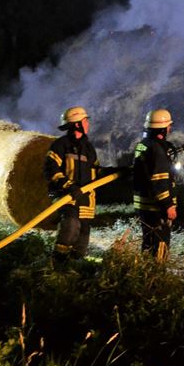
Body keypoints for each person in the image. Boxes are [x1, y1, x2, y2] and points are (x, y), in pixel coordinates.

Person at [43, 105, 119, 264]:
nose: (88, 124)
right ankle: (58, 263)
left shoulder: (88, 148)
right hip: (67, 196)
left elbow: (97, 171)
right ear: (77, 124)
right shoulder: (60, 145)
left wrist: (119, 172)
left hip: (86, 199)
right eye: (85, 121)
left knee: (83, 234)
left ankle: (76, 266)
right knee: (70, 226)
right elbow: (51, 169)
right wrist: (68, 186)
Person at [132, 108, 184, 262]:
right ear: (162, 128)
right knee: (160, 243)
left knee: (148, 242)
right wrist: (168, 205)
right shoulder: (157, 149)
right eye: (168, 126)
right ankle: (156, 277)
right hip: (156, 207)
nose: (170, 128)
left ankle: (145, 271)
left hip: (144, 205)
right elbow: (159, 180)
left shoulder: (143, 145)